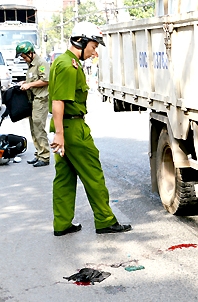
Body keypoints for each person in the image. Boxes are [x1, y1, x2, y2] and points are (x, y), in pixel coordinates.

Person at [48, 21, 132, 236]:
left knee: (64, 178)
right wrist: (61, 134)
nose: (95, 52)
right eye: (94, 46)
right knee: (93, 175)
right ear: (81, 41)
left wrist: (59, 132)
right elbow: (58, 101)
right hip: (72, 128)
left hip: (65, 127)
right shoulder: (69, 66)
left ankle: (62, 224)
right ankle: (105, 221)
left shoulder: (63, 61)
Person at [15, 41, 51, 167]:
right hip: (33, 100)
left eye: (24, 56)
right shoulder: (31, 65)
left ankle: (45, 156)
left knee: (39, 127)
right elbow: (34, 79)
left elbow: (46, 80)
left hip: (41, 99)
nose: (24, 59)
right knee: (33, 128)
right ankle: (39, 153)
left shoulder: (41, 63)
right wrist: (25, 82)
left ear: (31, 53)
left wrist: (29, 85)